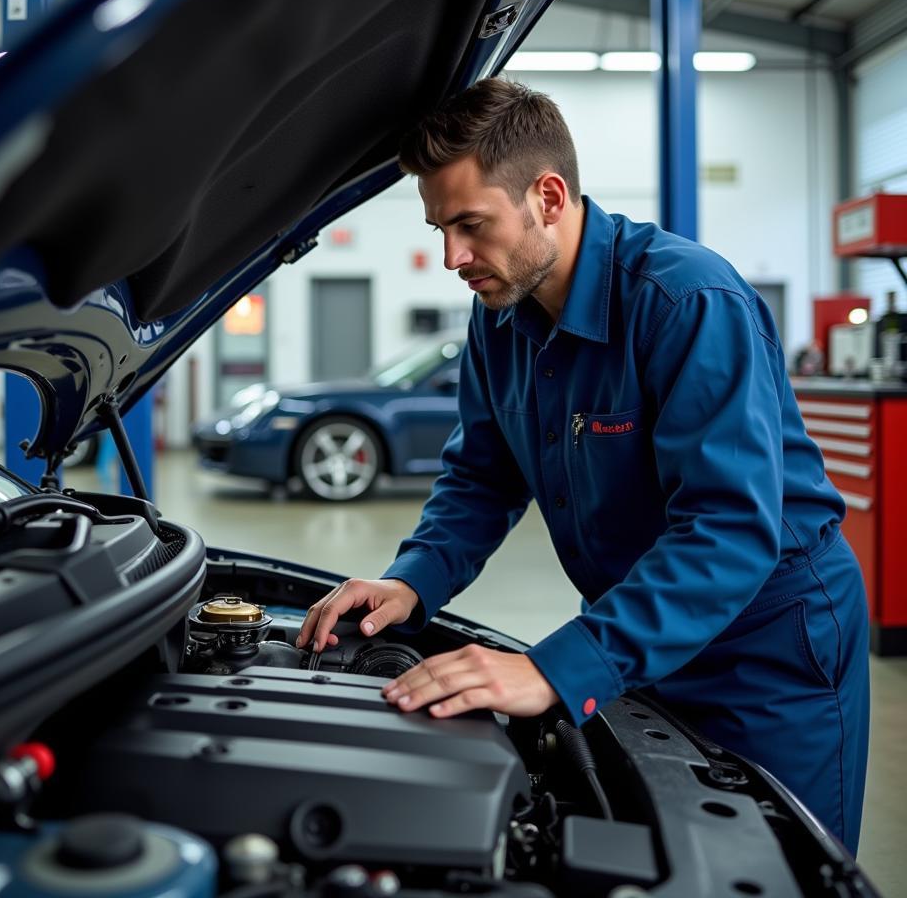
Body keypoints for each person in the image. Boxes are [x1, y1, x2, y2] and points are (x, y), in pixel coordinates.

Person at [296, 78, 869, 854]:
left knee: (771, 864)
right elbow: (482, 473)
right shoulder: (499, 314)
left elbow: (729, 530)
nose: (453, 258)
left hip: (766, 651)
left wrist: (560, 667)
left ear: (550, 196)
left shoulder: (686, 302)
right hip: (643, 627)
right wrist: (413, 579)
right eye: (440, 229)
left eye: (470, 224)